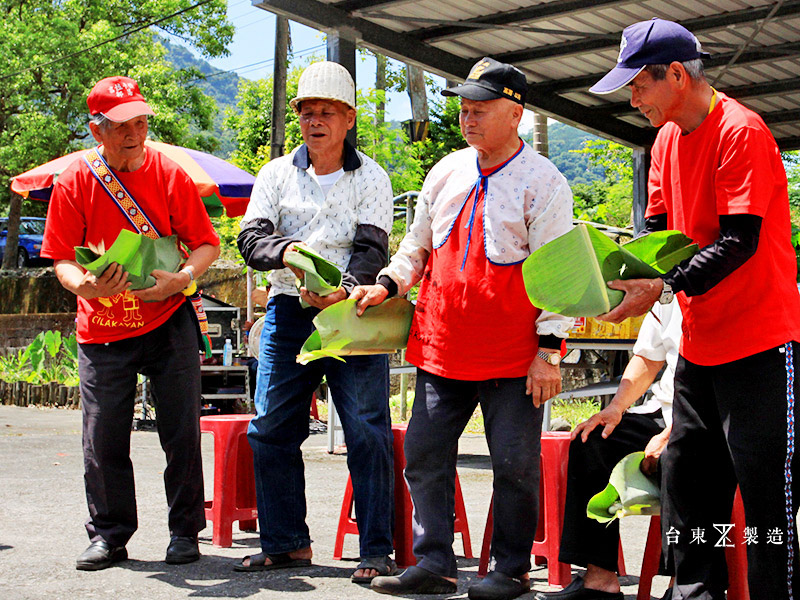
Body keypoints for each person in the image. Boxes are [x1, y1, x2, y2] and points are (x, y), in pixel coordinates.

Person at [588, 18, 800, 600]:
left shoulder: (742, 132)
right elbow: (660, 232)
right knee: (691, 493)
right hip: (699, 349)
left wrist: (659, 288)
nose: (632, 98)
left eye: (637, 85)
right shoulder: (664, 141)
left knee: (765, 507)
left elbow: (738, 241)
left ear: (676, 75)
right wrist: (623, 280)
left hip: (760, 345)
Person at [353, 57, 574, 600]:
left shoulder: (545, 182)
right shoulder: (446, 170)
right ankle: (435, 564)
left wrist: (549, 351)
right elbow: (417, 246)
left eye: (481, 108)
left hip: (513, 354)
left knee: (515, 464)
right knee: (425, 456)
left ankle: (511, 569)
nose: (468, 116)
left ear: (516, 112)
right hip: (439, 346)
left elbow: (560, 275)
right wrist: (386, 284)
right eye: (464, 107)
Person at [40, 76, 220, 570]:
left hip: (167, 318)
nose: (135, 134)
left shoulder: (168, 173)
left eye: (141, 123)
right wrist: (83, 286)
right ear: (98, 131)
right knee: (103, 436)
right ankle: (110, 534)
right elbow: (60, 258)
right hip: (102, 327)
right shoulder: (76, 180)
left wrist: (180, 278)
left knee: (181, 431)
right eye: (123, 126)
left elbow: (206, 243)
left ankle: (185, 531)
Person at [235, 61, 396, 582]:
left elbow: (373, 248)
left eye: (328, 111)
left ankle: (375, 549)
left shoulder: (372, 176)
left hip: (354, 314)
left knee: (367, 430)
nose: (315, 120)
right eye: (307, 112)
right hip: (286, 311)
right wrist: (288, 254)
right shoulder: (276, 173)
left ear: (349, 118)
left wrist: (343, 290)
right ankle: (286, 543)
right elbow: (251, 239)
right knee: (270, 429)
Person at [535, 301, 680, 600]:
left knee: (680, 458)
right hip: (663, 411)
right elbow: (648, 357)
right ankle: (600, 580)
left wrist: (677, 431)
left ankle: (682, 584)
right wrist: (615, 408)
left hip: (712, 417)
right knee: (592, 441)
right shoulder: (673, 292)